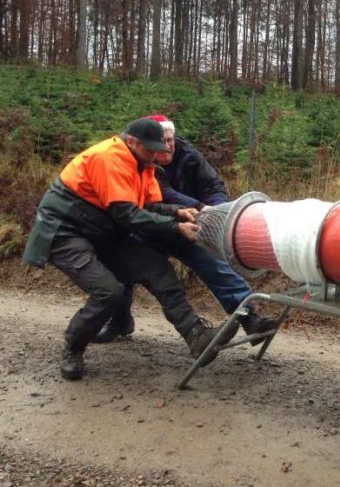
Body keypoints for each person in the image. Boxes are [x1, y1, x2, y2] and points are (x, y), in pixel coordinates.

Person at [23, 118, 235, 380]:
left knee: (158, 268)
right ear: (132, 142)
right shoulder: (109, 158)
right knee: (109, 292)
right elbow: (127, 215)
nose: (155, 156)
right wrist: (175, 226)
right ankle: (73, 347)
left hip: (103, 230)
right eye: (150, 150)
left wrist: (177, 211)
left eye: (157, 150)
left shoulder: (144, 164)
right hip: (65, 231)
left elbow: (149, 205)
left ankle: (196, 335)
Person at [95, 114, 276, 346]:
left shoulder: (189, 155)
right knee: (122, 274)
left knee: (214, 265)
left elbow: (212, 185)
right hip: (146, 227)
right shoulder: (138, 161)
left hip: (186, 227)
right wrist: (200, 208)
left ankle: (249, 317)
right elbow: (165, 195)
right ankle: (119, 321)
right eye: (162, 143)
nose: (167, 146)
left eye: (170, 140)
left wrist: (218, 211)